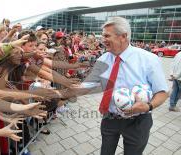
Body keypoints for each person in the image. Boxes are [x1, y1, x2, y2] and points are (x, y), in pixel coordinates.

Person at [62, 16, 168, 155]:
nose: (102, 39)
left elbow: (162, 92)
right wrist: (62, 91)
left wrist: (148, 106)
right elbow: (87, 85)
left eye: (107, 36)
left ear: (123, 36)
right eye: (102, 36)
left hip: (138, 121)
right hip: (110, 118)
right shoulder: (103, 59)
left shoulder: (148, 59)